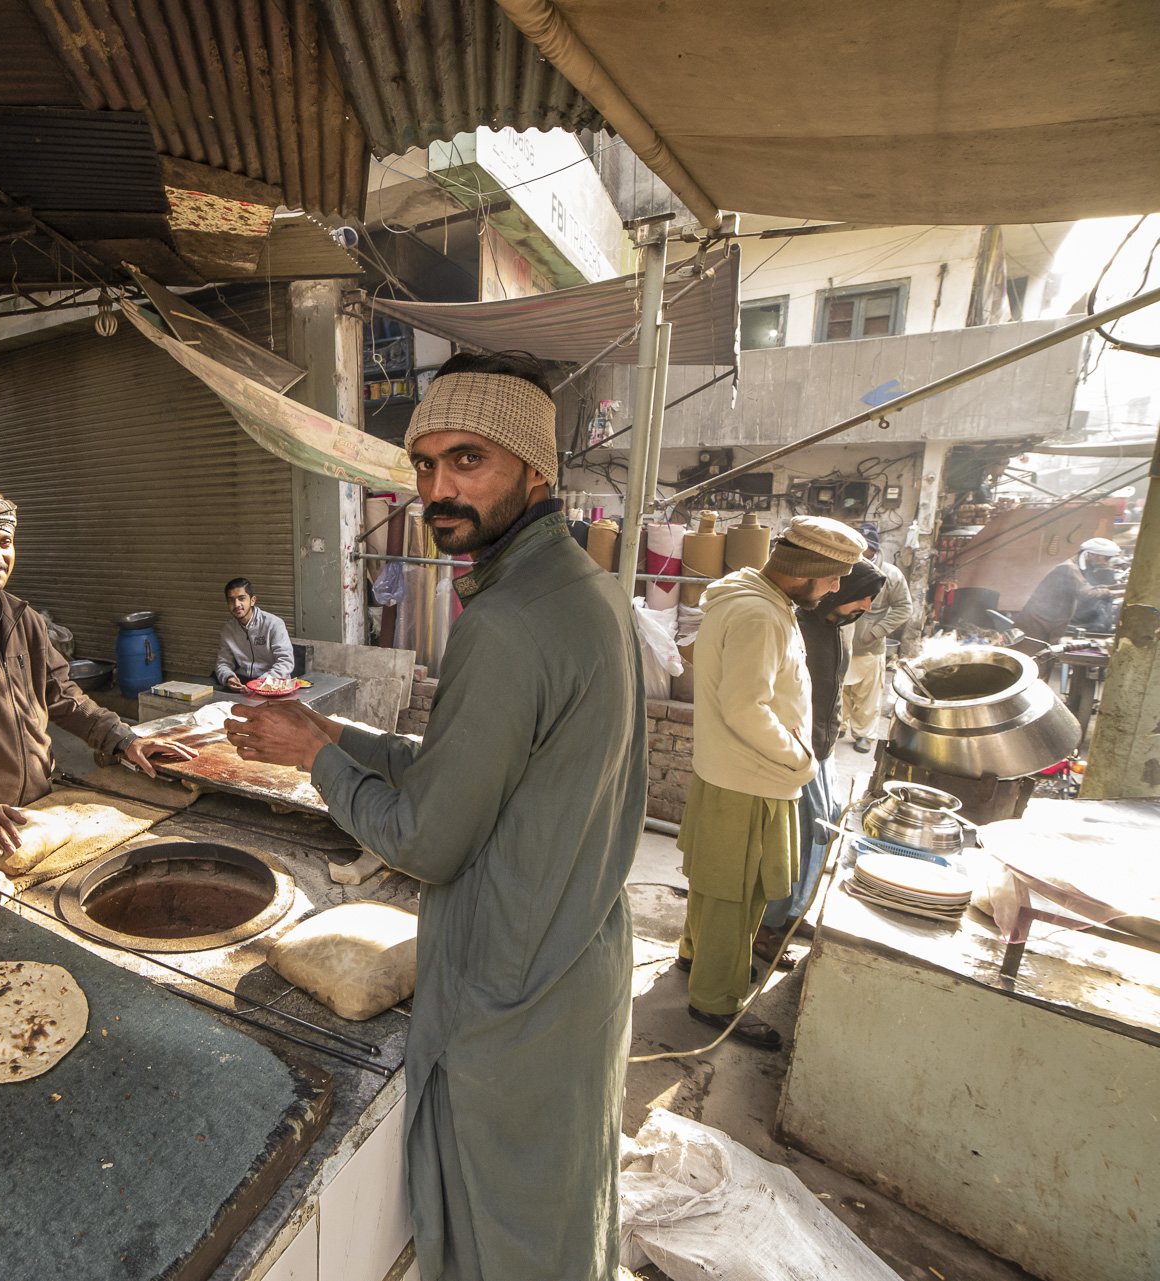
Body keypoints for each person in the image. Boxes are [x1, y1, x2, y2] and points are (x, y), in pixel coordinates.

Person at [223, 351, 644, 1281]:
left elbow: (429, 837)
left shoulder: (506, 624)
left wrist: (310, 758)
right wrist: (335, 732)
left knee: (510, 1244)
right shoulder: (588, 593)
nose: (437, 488)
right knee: (565, 1215)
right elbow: (473, 775)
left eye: (469, 460)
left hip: (513, 992)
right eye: (424, 463)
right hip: (579, 958)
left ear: (536, 470)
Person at [0, 485, 196, 860]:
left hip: (37, 813)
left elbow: (64, 697)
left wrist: (124, 740)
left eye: (5, 542)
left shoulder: (24, 620)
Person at [680, 516, 864, 1050]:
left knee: (718, 887)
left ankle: (696, 956)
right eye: (832, 577)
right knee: (737, 896)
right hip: (753, 778)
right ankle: (715, 1000)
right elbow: (744, 707)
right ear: (806, 570)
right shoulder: (760, 614)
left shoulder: (755, 599)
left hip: (735, 773)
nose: (836, 588)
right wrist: (799, 758)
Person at [753, 558, 884, 965]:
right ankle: (767, 925)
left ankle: (793, 914)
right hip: (798, 749)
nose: (862, 607)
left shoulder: (835, 631)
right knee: (797, 837)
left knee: (823, 829)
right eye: (859, 599)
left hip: (822, 748)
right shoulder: (798, 628)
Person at [840, 522, 912, 752]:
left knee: (867, 694)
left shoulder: (891, 575)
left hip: (869, 647)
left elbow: (904, 608)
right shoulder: (843, 569)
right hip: (841, 643)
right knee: (839, 688)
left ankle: (864, 735)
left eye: (866, 549)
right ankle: (839, 723)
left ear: (875, 549)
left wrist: (876, 631)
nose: (862, 554)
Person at [1011, 537, 1121, 657]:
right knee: (1033, 659)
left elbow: (1088, 587)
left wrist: (1115, 588)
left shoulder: (1073, 567)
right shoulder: (1069, 568)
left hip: (1047, 622)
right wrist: (1112, 593)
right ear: (1090, 555)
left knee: (1043, 658)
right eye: (1105, 558)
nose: (1106, 563)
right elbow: (1085, 592)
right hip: (1039, 623)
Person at [213, 577, 294, 691]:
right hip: (243, 683)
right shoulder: (228, 630)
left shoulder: (273, 624)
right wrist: (228, 677)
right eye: (231, 600)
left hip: (272, 684)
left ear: (252, 600)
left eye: (241, 598)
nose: (236, 604)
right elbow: (223, 662)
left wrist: (260, 684)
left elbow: (285, 662)